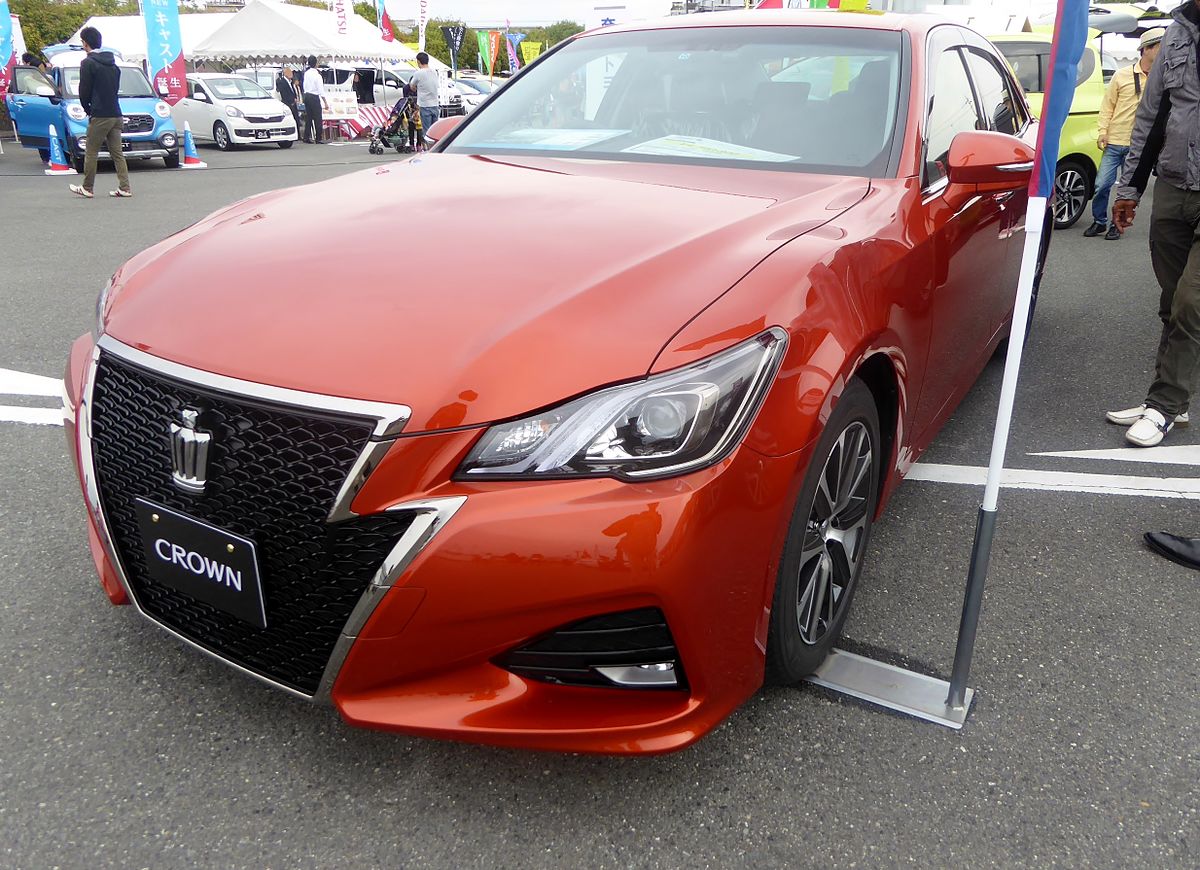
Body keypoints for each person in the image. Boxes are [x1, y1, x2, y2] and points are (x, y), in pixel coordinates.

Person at [1109, 1, 1200, 447]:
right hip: (1174, 186)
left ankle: (1164, 406)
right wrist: (1129, 188)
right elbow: (1153, 113)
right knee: (1171, 300)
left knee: (1191, 302)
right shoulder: (1178, 32)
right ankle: (1169, 402)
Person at [1084, 28, 1165, 240]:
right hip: (1115, 140)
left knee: (1127, 190)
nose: (1164, 51)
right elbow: (1107, 106)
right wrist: (1102, 131)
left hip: (1139, 146)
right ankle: (1099, 221)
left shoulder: (1163, 79)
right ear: (1146, 49)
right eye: (1159, 47)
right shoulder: (1121, 75)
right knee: (1102, 185)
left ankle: (1114, 224)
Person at [68, 27, 130, 200]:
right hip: (116, 113)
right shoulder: (113, 64)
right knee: (117, 153)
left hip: (100, 114)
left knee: (91, 150)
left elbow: (84, 91)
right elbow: (115, 89)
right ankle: (124, 187)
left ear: (85, 43)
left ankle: (87, 187)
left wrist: (89, 110)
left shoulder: (88, 63)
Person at [411, 52, 440, 148]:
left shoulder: (418, 73)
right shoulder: (434, 72)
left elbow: (412, 85)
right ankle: (437, 148)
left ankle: (429, 150)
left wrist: (416, 88)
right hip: (435, 104)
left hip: (425, 105)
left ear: (418, 62)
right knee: (435, 130)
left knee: (427, 131)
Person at [301, 55, 329, 144]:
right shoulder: (317, 75)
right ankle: (318, 138)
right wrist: (325, 102)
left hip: (306, 95)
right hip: (314, 96)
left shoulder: (306, 73)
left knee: (309, 117)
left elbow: (304, 85)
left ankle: (306, 137)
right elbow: (321, 90)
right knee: (318, 118)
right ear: (316, 64)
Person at [276, 66, 301, 135]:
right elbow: (284, 94)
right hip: (288, 103)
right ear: (285, 73)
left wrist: (295, 98)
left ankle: (298, 134)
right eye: (289, 72)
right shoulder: (282, 82)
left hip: (293, 103)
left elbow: (293, 92)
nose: (291, 74)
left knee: (296, 119)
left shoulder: (290, 82)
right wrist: (291, 101)